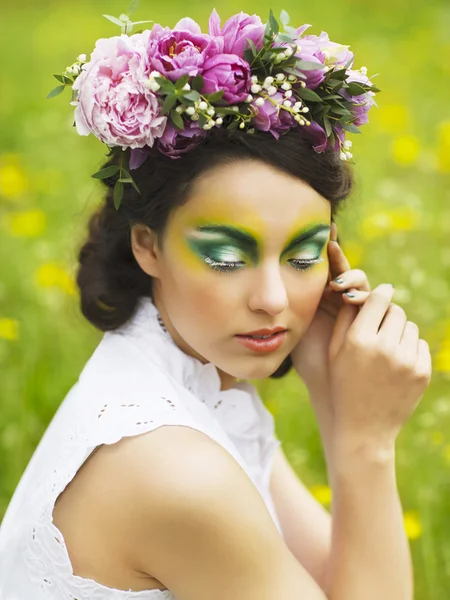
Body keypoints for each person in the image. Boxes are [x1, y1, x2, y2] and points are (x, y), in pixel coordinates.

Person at [0, 8, 432, 600]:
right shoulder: (170, 467)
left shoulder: (195, 379)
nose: (273, 300)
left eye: (304, 256)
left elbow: (337, 583)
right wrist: (367, 443)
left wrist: (333, 392)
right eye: (228, 258)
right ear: (147, 244)